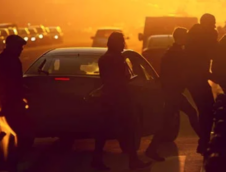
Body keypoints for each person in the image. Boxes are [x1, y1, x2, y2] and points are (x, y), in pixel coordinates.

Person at [93, 32, 151, 170]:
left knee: (103, 132)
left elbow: (106, 79)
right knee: (129, 130)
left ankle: (97, 159)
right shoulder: (118, 59)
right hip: (120, 99)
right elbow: (122, 79)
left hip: (108, 98)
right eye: (121, 42)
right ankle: (133, 161)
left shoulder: (103, 59)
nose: (123, 44)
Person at [146, 27, 201, 161]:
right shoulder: (176, 53)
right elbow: (181, 73)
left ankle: (151, 149)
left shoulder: (172, 52)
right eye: (186, 36)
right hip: (173, 92)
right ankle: (206, 140)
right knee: (188, 114)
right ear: (181, 38)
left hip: (171, 91)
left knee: (170, 120)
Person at [0, 35, 34, 167]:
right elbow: (10, 83)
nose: (21, 49)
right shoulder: (10, 61)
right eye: (19, 46)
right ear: (11, 46)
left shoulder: (4, 60)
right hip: (9, 104)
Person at [185, 14, 218, 156]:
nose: (213, 27)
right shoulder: (203, 35)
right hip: (196, 78)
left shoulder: (194, 33)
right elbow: (213, 53)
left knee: (206, 110)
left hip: (195, 78)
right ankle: (204, 143)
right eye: (212, 24)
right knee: (208, 110)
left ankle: (203, 142)